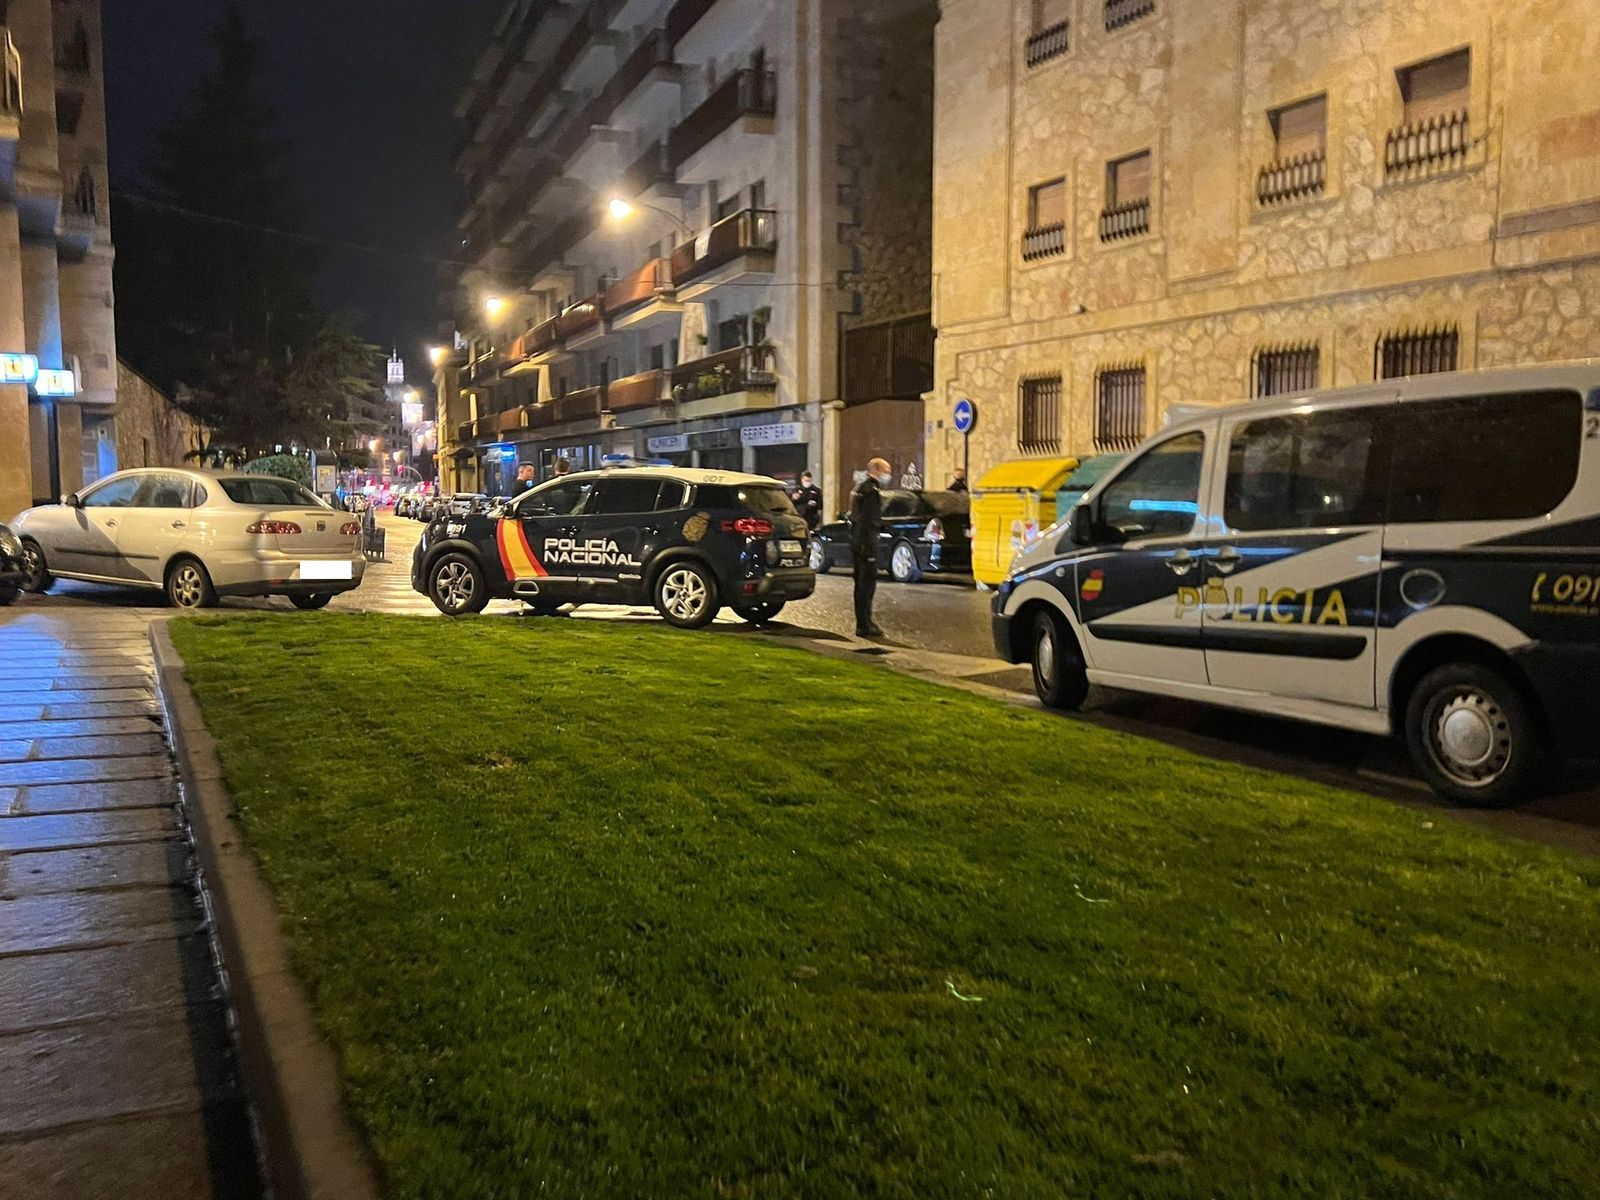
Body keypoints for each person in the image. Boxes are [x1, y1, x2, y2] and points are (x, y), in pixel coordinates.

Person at [850, 457, 891, 638]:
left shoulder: (861, 487)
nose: (887, 475)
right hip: (866, 543)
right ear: (876, 470)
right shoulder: (871, 490)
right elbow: (870, 519)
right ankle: (864, 625)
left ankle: (864, 622)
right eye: (886, 471)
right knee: (866, 585)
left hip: (859, 541)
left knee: (861, 583)